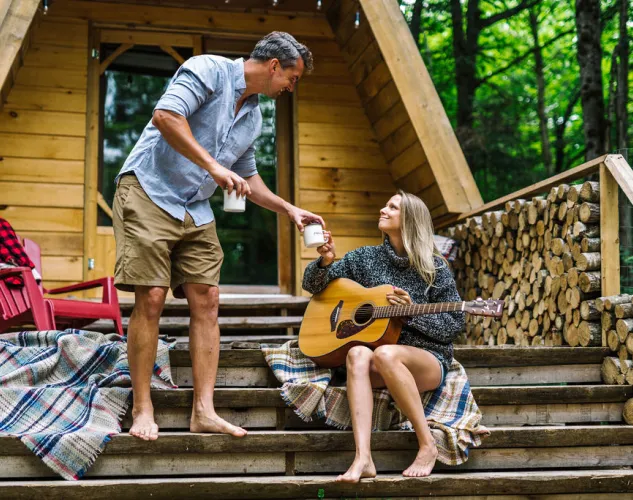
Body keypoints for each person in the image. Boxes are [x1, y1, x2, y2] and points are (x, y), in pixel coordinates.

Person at [113, 32, 324, 441]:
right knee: (152, 296)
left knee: (208, 298)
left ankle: (204, 411)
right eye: (293, 78)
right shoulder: (208, 69)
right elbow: (166, 116)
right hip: (148, 189)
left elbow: (246, 177)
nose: (291, 88)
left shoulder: (255, 115)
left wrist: (290, 209)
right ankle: (142, 408)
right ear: (275, 66)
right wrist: (213, 167)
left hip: (195, 207)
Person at [302, 191, 465, 482]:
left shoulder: (435, 267)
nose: (383, 208)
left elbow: (453, 326)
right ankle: (363, 458)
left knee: (385, 353)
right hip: (379, 357)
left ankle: (427, 444)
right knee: (356, 353)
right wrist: (325, 262)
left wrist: (411, 313)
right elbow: (314, 287)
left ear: (410, 220)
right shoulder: (364, 258)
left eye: (392, 207)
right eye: (385, 203)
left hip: (426, 359)